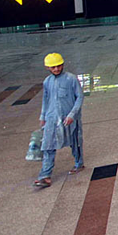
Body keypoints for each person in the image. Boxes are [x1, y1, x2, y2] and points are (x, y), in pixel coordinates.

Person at [34, 53, 84, 188]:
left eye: (58, 66)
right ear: (48, 68)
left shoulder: (71, 79)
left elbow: (79, 97)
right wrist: (43, 117)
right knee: (48, 146)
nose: (56, 69)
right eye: (53, 67)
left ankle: (79, 164)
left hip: (70, 119)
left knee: (75, 142)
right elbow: (46, 100)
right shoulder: (47, 82)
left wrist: (72, 115)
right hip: (52, 118)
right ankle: (45, 175)